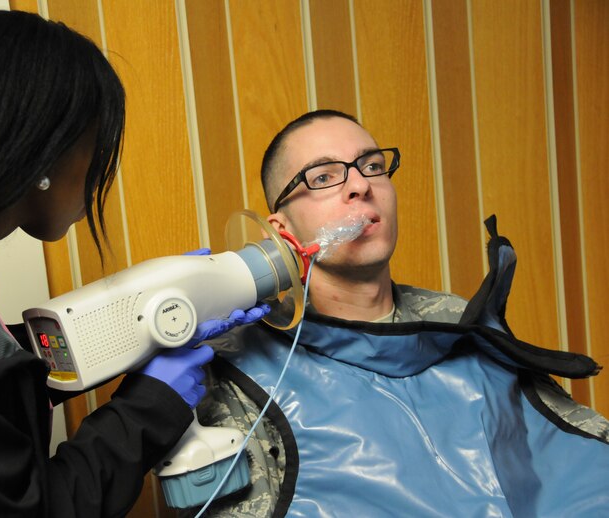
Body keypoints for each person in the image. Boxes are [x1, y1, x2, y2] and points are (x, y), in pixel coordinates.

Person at [0, 10, 264, 517]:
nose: (100, 175)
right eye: (94, 148)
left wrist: (121, 328)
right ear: (41, 154)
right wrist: (150, 407)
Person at [188, 110, 609, 517]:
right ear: (283, 232)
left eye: (372, 166)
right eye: (323, 177)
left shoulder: (460, 319)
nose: (359, 186)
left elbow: (573, 452)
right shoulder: (237, 366)